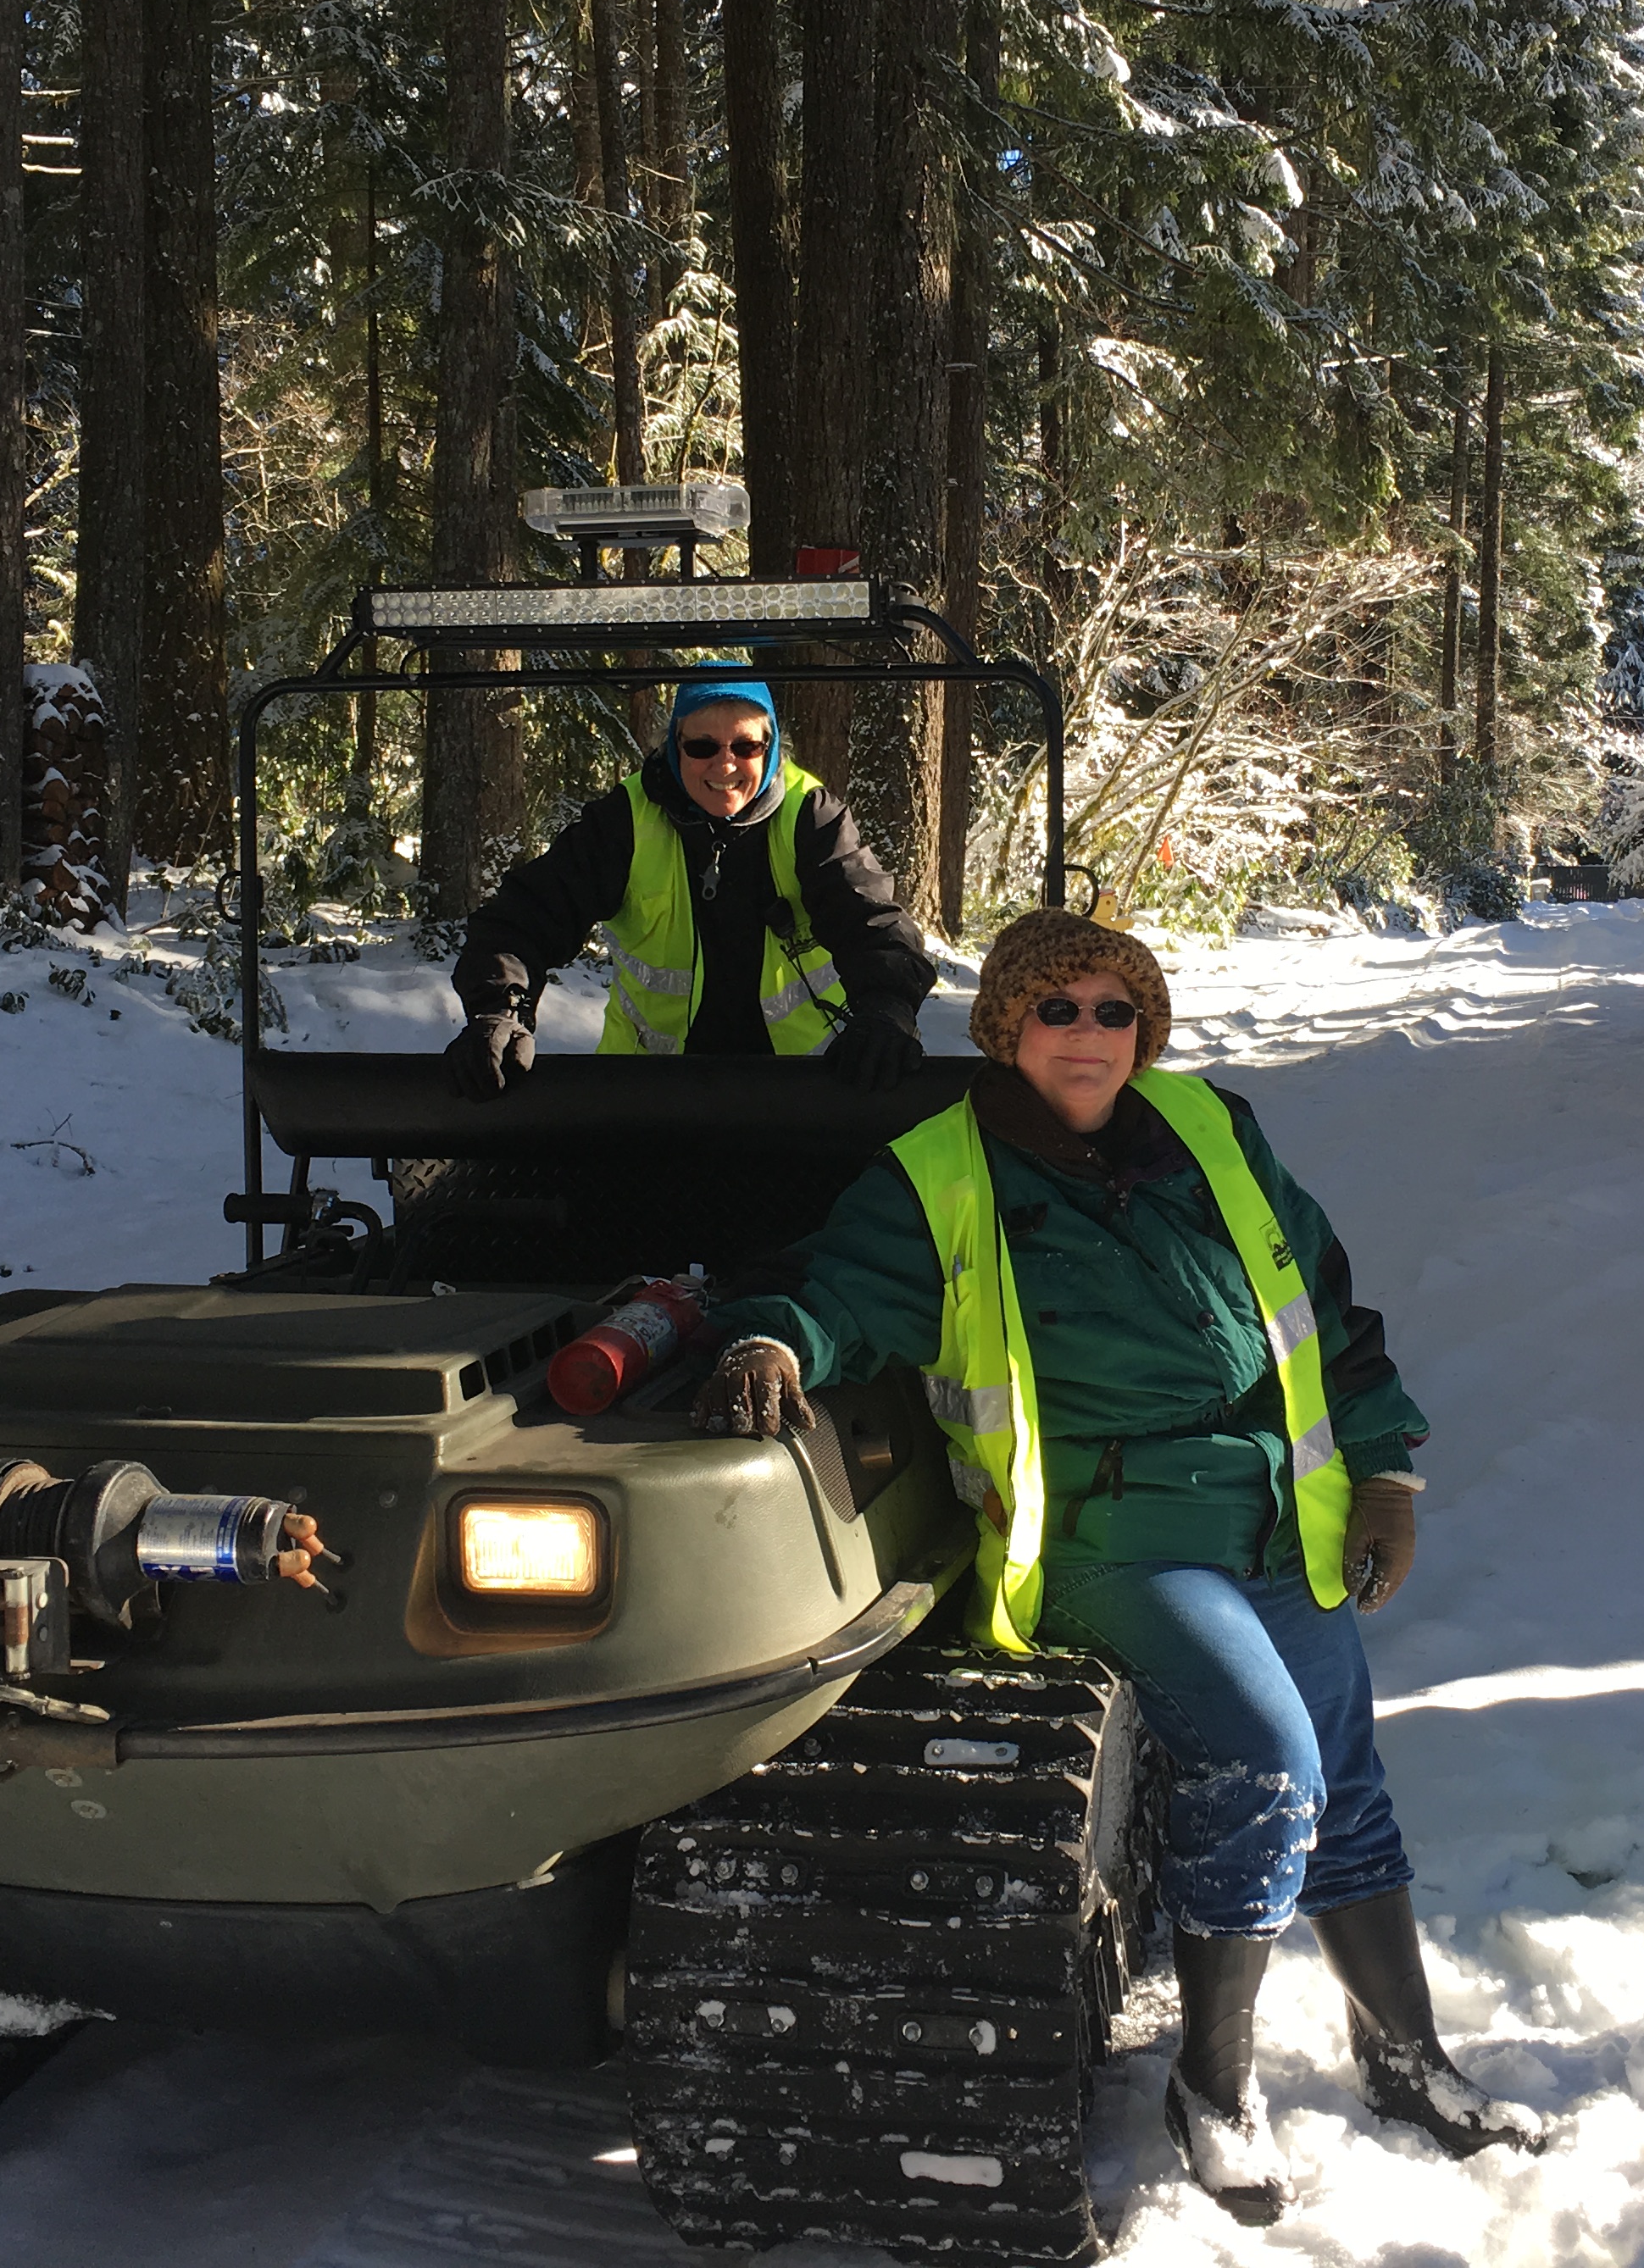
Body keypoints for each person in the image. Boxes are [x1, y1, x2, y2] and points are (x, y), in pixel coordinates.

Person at [689, 907, 1544, 2221]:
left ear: (1144, 1028)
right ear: (1006, 1029)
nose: (1087, 1035)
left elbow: (1321, 1306)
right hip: (1111, 1534)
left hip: (1271, 1517)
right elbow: (839, 1290)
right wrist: (776, 1343)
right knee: (1270, 1764)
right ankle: (1214, 2087)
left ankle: (1407, 2057)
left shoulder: (1211, 1130)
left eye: (1113, 1011)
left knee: (1349, 1787)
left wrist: (1383, 1471)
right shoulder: (940, 1174)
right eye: (1055, 1010)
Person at [442, 671, 933, 1095]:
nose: (724, 765)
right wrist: (501, 1011)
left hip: (797, 1093)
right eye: (702, 747)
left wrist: (887, 1009)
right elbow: (525, 916)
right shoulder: (625, 821)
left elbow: (872, 921)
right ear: (674, 749)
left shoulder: (811, 816)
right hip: (646, 1096)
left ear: (771, 747)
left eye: (746, 746)